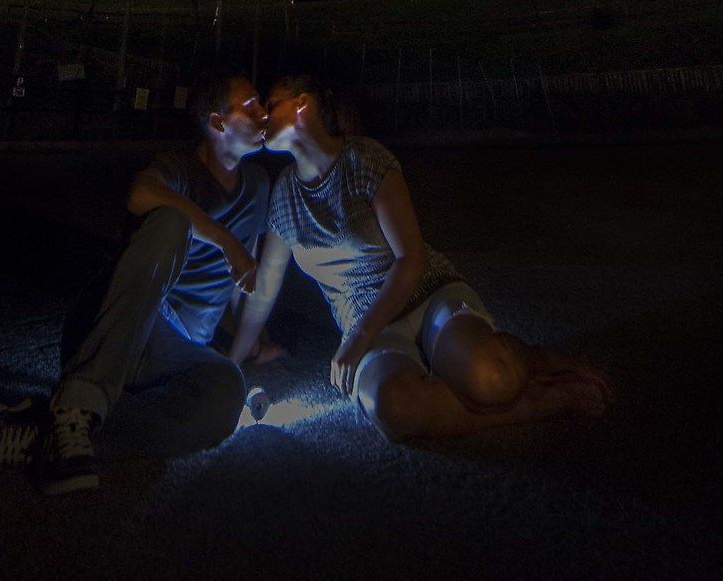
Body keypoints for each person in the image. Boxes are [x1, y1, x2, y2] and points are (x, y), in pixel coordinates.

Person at [229, 72, 613, 442]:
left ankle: (536, 360)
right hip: (367, 321)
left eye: (272, 103)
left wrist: (356, 341)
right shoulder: (284, 198)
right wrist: (233, 363)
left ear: (302, 104)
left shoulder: (364, 160)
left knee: (492, 379)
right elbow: (264, 291)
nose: (262, 115)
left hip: (425, 293)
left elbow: (409, 259)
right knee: (394, 408)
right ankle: (533, 404)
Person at [0, 68, 280, 494]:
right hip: (117, 326)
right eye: (251, 104)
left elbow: (245, 277)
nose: (263, 114)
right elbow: (140, 195)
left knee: (226, 390)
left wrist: (256, 340)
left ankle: (53, 431)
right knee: (169, 220)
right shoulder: (179, 169)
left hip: (172, 352)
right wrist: (222, 238)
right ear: (218, 121)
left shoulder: (257, 185)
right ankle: (82, 399)